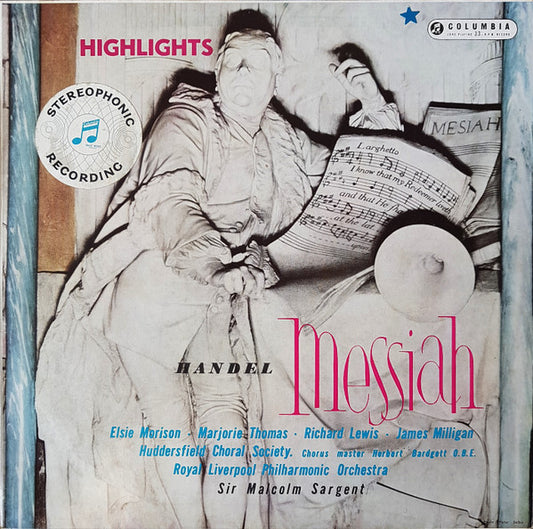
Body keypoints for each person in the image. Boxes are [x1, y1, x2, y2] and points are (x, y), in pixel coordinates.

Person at [36, 28, 401, 529]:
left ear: (275, 79)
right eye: (235, 63)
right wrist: (216, 266)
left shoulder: (280, 136)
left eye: (258, 64)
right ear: (219, 70)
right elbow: (172, 203)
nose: (245, 74)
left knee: (228, 432)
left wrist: (373, 105)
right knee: (171, 430)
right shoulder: (184, 119)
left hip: (219, 303)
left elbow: (350, 175)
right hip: (153, 296)